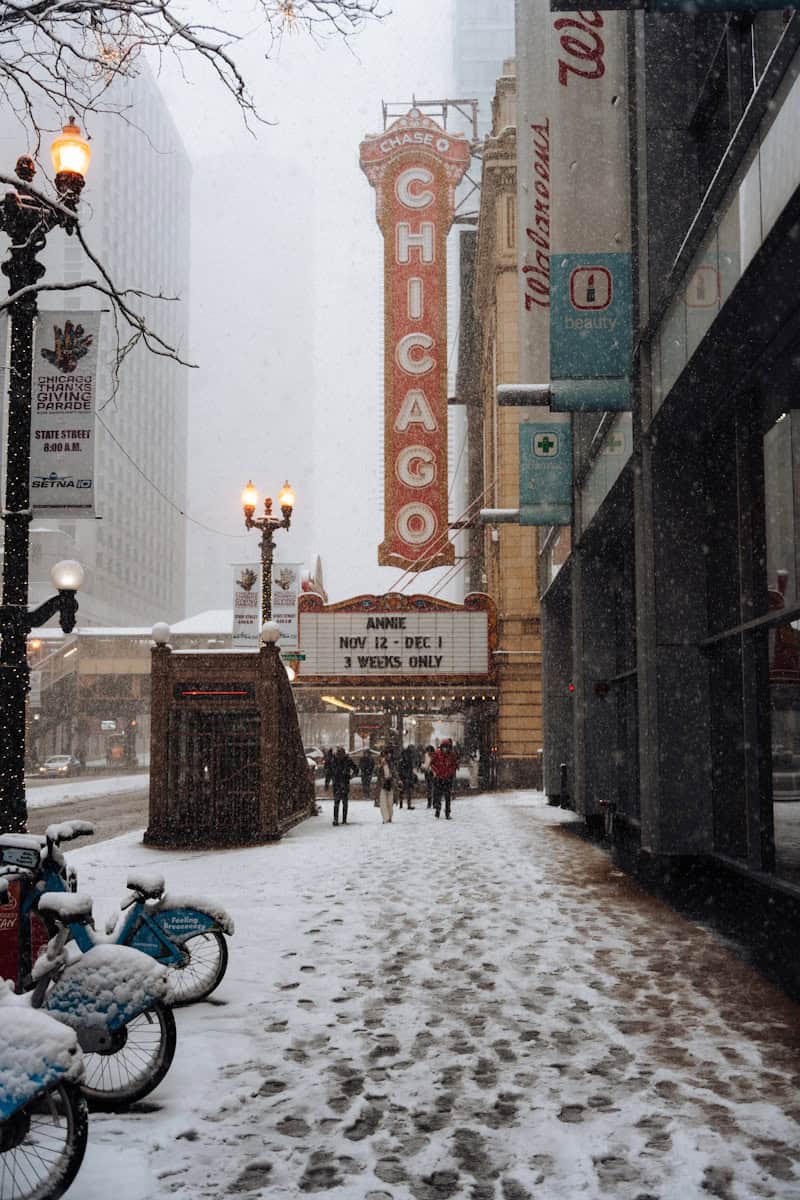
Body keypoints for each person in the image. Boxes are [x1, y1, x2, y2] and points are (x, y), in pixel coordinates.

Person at [430, 738, 458, 820]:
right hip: (439, 778)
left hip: (448, 778)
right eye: (444, 747)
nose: (445, 749)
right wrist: (436, 771)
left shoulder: (452, 755)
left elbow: (454, 765)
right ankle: (438, 810)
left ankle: (447, 812)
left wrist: (450, 772)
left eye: (447, 747)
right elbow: (432, 764)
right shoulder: (437, 754)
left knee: (447, 796)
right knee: (438, 795)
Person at [330, 746, 357, 826]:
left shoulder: (347, 760)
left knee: (341, 802)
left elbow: (356, 769)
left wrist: (351, 775)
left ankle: (341, 819)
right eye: (339, 754)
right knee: (338, 802)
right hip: (338, 782)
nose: (340, 756)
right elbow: (330, 770)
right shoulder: (335, 760)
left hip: (343, 782)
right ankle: (337, 819)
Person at [377, 748, 394, 824]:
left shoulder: (391, 763)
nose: (385, 757)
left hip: (390, 783)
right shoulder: (380, 763)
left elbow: (394, 772)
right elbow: (376, 772)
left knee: (390, 802)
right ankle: (385, 818)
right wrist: (380, 766)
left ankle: (389, 817)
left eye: (386, 755)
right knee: (383, 802)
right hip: (383, 784)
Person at [398, 744, 417, 809]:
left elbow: (409, 766)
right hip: (405, 775)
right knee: (405, 790)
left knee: (404, 791)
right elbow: (403, 767)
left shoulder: (408, 755)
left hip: (406, 775)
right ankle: (404, 805)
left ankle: (403, 805)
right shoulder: (406, 756)